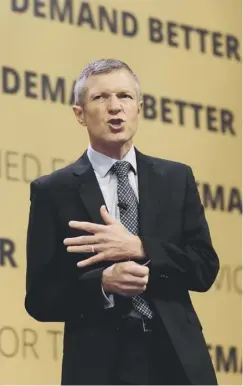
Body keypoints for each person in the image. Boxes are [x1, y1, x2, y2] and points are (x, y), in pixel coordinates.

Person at [25, 58, 219, 385]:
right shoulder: (53, 191)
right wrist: (102, 283)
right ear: (79, 113)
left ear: (139, 108)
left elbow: (204, 268)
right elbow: (41, 298)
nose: (115, 107)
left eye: (125, 97)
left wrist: (141, 247)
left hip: (177, 359)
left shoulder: (176, 178)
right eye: (101, 98)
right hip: (99, 365)